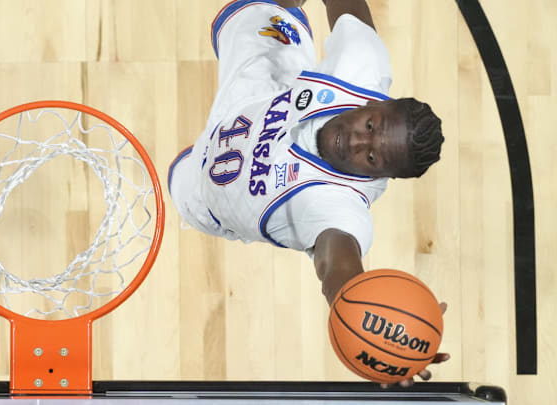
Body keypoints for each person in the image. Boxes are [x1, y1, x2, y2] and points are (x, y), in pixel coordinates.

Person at [168, 0, 448, 387]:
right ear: (375, 101)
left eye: (371, 156)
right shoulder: (361, 65)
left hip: (204, 190)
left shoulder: (338, 210)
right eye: (370, 124)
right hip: (257, 94)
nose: (356, 140)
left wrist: (381, 333)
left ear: (380, 177)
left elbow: (338, 271)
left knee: (175, 186)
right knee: (260, 9)